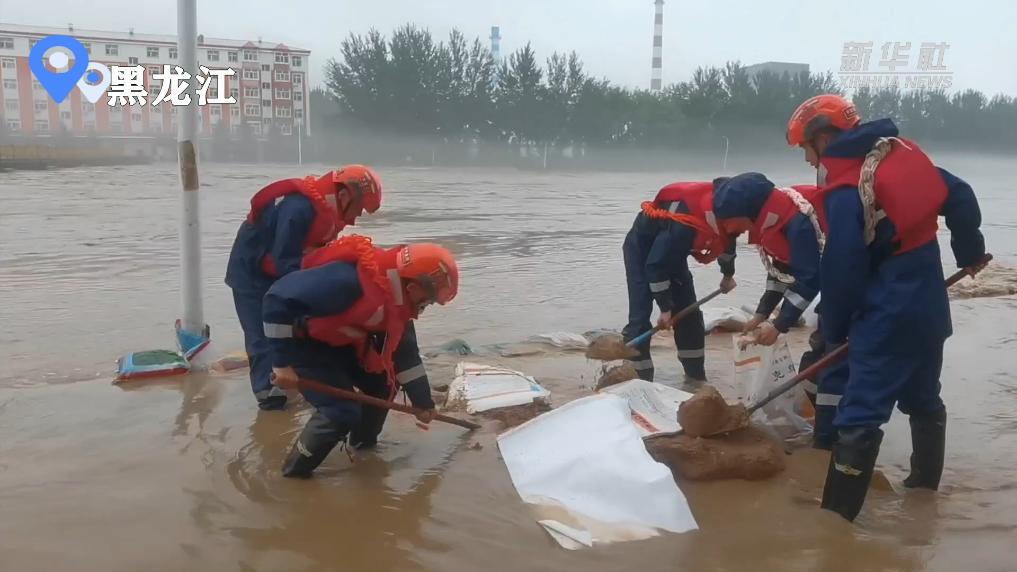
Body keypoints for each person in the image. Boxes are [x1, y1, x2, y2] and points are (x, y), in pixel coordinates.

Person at [786, 94, 987, 521]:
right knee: (923, 398)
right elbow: (960, 195)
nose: (807, 160)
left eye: (806, 148)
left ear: (824, 139)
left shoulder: (846, 189)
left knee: (858, 416)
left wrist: (836, 330)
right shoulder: (899, 158)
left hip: (888, 313)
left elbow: (842, 268)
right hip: (929, 308)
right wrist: (970, 252)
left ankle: (834, 528)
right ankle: (923, 500)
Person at [263, 235, 459, 478]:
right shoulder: (348, 281)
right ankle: (293, 473)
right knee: (342, 411)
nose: (425, 306)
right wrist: (281, 364)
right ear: (412, 288)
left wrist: (423, 403)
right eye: (427, 300)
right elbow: (276, 299)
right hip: (301, 344)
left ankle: (363, 447)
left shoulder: (398, 301)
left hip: (339, 343)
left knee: (384, 385)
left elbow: (406, 356)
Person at [225, 166, 382, 411]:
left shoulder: (324, 210)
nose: (354, 220)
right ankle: (270, 397)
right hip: (250, 274)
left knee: (293, 328)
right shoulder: (298, 209)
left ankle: (295, 378)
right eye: (358, 209)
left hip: (277, 270)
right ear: (343, 196)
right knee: (261, 334)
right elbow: (285, 261)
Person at [711, 172, 835, 448]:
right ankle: (821, 426)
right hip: (832, 287)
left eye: (728, 221)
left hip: (847, 287)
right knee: (816, 363)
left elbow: (809, 280)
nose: (728, 229)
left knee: (825, 361)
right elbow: (780, 272)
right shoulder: (771, 223)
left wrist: (779, 325)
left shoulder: (797, 224)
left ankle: (828, 440)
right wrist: (761, 314)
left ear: (746, 213)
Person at [623, 179, 738, 386]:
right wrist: (665, 308)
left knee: (689, 313)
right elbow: (655, 265)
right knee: (640, 315)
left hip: (673, 254)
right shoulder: (685, 222)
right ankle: (641, 383)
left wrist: (728, 275)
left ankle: (695, 379)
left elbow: (727, 245)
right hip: (642, 251)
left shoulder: (730, 217)